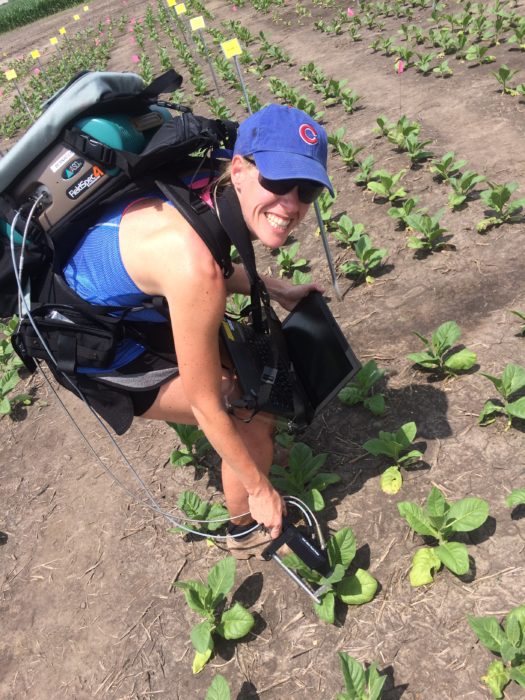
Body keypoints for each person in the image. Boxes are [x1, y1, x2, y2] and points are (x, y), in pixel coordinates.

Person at [61, 104, 334, 557]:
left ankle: (255, 456)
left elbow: (212, 263)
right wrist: (260, 487)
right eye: (279, 182)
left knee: (248, 370)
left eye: (306, 190)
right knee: (248, 407)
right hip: (95, 347)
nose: (292, 204)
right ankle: (244, 528)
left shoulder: (206, 180)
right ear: (242, 169)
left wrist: (278, 289)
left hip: (126, 309)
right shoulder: (191, 266)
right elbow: (207, 403)